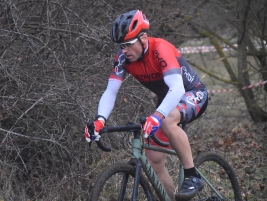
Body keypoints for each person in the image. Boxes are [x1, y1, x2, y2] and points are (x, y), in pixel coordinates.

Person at [85, 10, 208, 201]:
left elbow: (176, 88)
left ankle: (192, 175)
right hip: (167, 100)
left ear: (143, 38)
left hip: (192, 93)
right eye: (120, 46)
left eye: (127, 44)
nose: (123, 50)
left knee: (166, 122)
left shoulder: (161, 49)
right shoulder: (123, 59)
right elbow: (110, 92)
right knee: (154, 160)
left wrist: (158, 115)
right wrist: (100, 120)